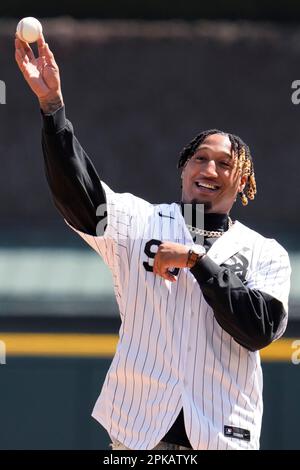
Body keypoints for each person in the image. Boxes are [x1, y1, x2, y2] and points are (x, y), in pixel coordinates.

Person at [15, 33, 291, 451]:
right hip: (139, 434)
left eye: (225, 163)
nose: (210, 168)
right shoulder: (139, 221)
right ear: (183, 170)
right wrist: (53, 109)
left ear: (243, 181)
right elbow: (79, 193)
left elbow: (258, 329)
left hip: (221, 435)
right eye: (200, 158)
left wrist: (198, 261)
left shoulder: (265, 252)